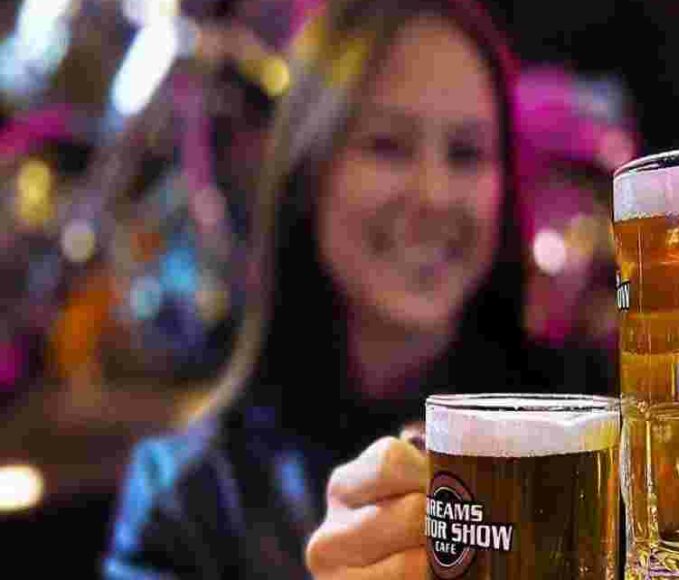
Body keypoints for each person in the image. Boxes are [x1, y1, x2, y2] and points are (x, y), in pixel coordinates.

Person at [103, 0, 598, 577]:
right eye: (387, 145)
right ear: (306, 172)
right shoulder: (185, 497)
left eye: (466, 153)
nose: (434, 194)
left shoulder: (603, 431)